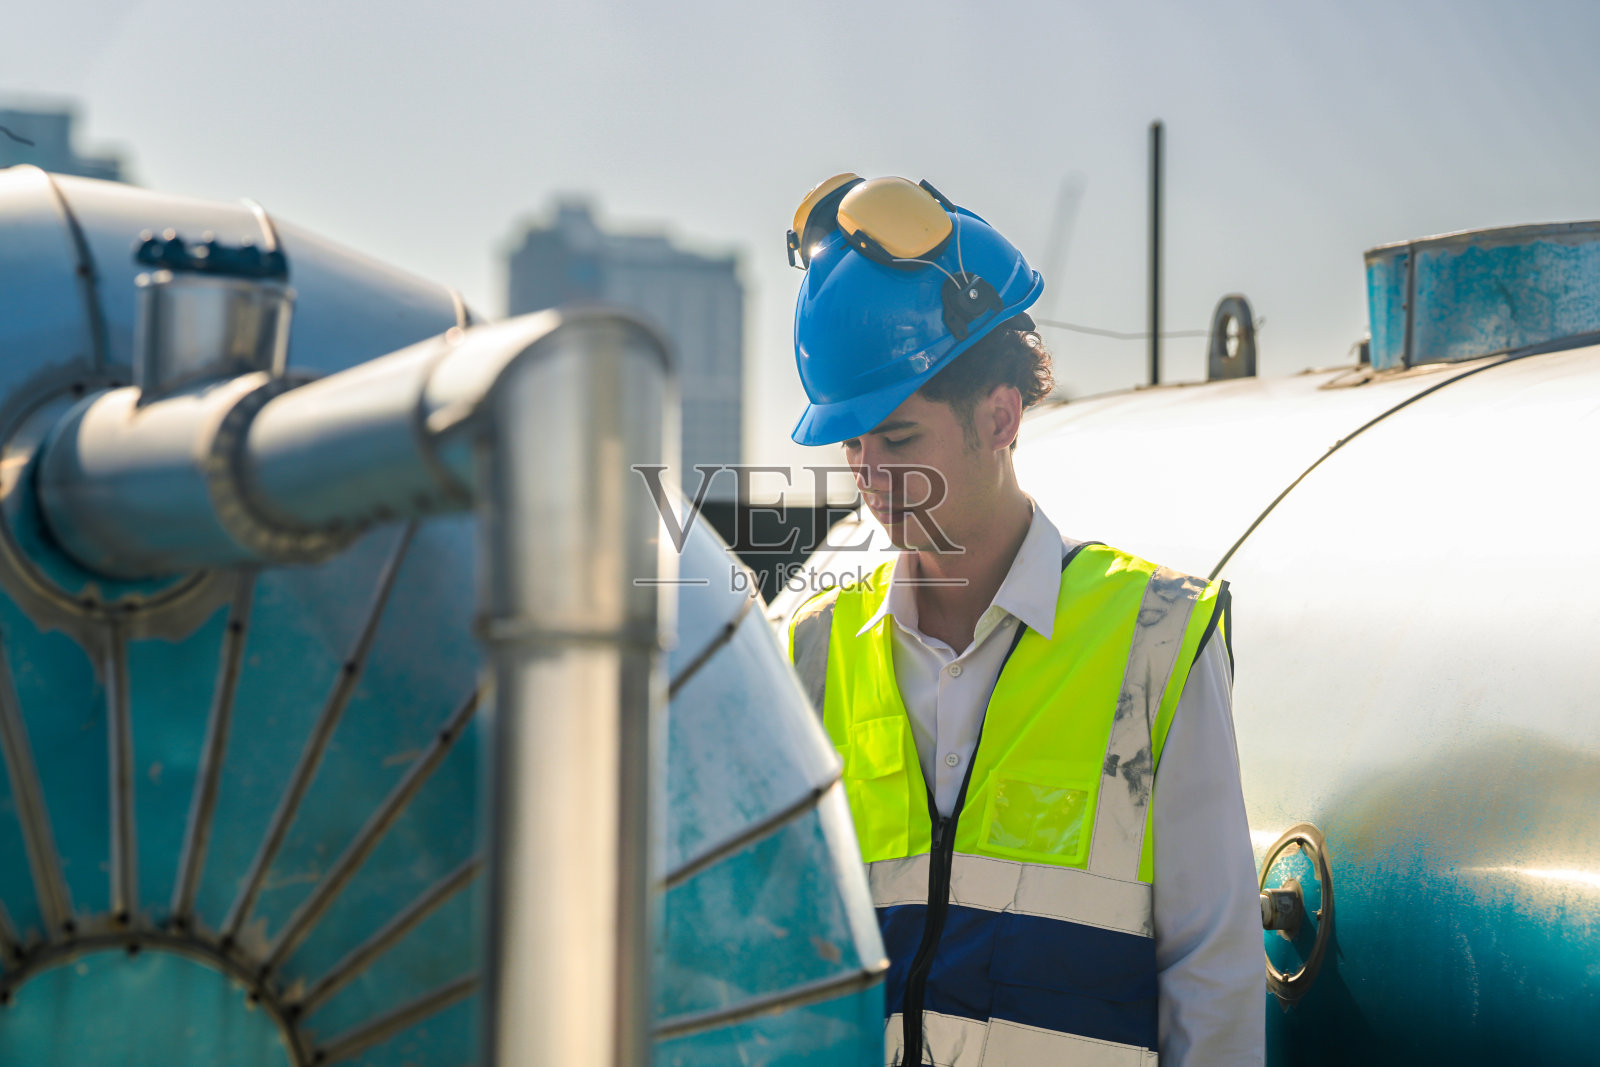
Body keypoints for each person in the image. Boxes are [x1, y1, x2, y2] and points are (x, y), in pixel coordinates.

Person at [781, 174, 1263, 1066]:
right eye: (852, 446)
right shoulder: (810, 651)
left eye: (898, 440)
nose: (872, 478)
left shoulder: (1156, 640)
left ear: (1000, 415)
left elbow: (1214, 981)